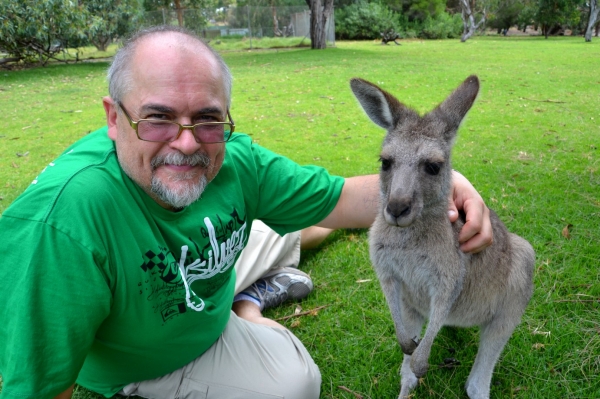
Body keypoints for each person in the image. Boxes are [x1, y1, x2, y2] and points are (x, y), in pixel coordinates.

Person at [0, 25, 492, 399]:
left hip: (206, 261)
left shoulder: (234, 161)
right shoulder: (62, 224)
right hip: (149, 348)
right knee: (296, 384)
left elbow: (343, 199)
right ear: (114, 117)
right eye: (158, 118)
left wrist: (449, 184)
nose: (187, 143)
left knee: (293, 231)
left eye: (208, 119)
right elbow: (38, 383)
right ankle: (249, 306)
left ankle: (250, 284)